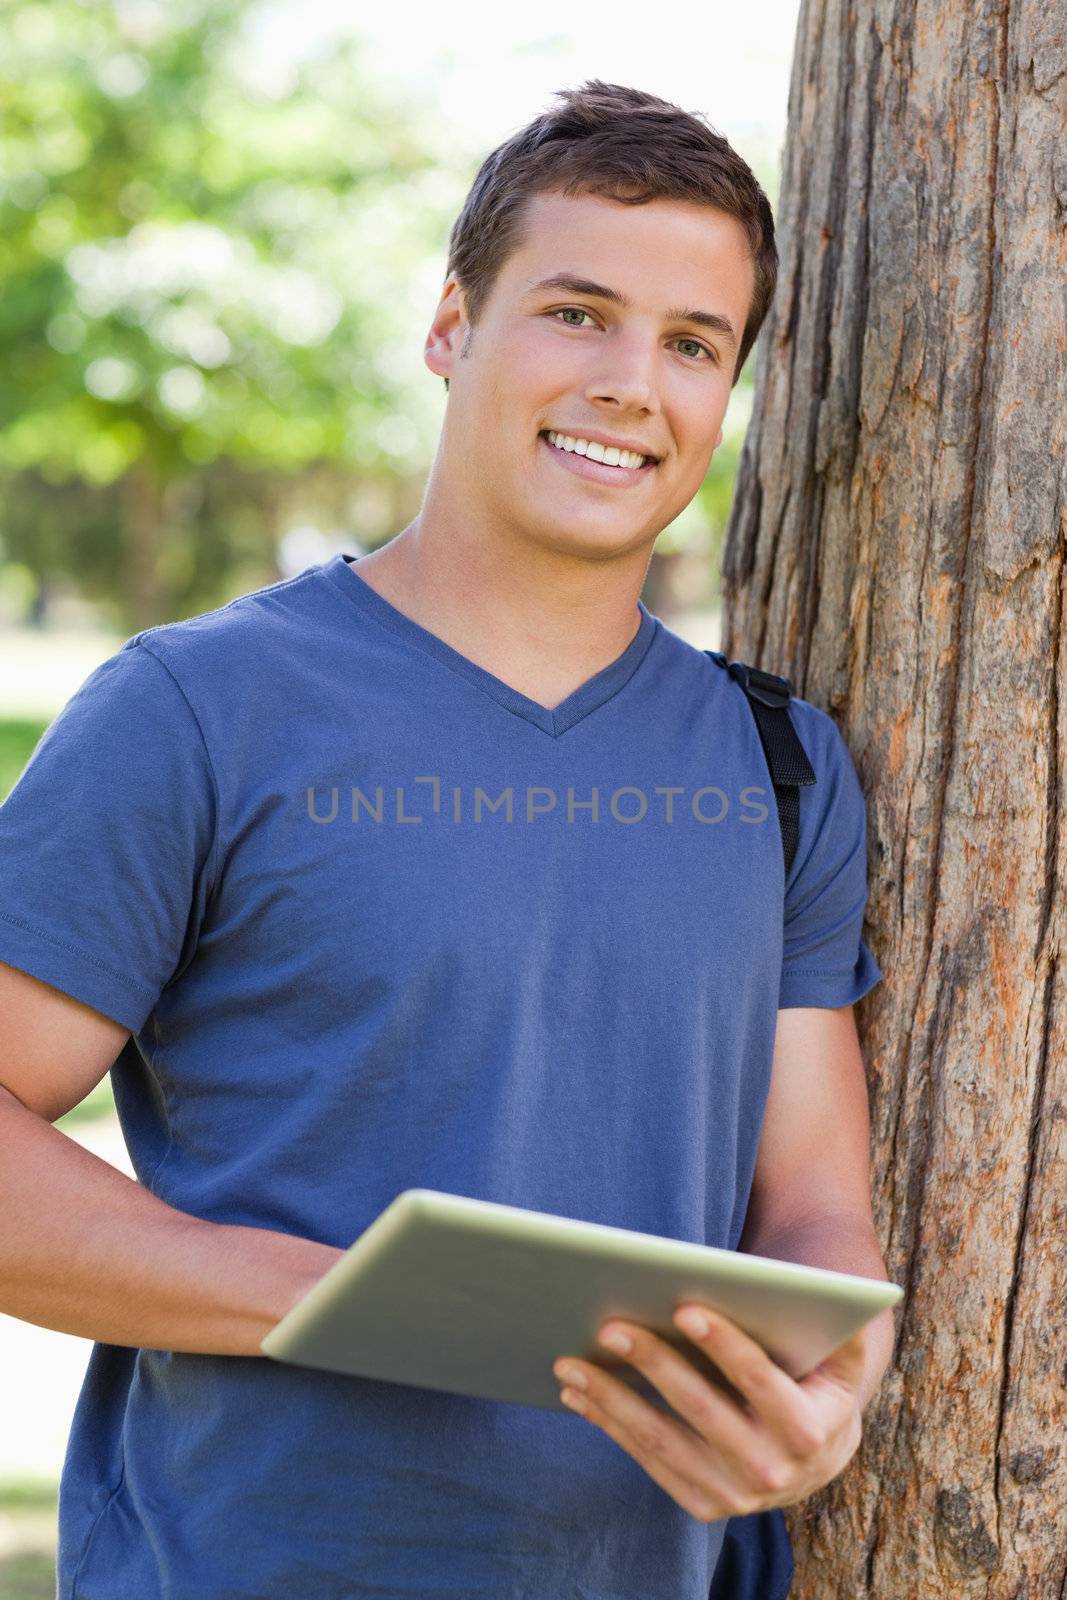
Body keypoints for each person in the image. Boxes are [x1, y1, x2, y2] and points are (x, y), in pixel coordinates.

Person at [0, 78, 895, 1600]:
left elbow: (812, 1206)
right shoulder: (197, 710)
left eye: (693, 345)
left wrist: (830, 1401)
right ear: (450, 327)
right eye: (578, 312)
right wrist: (365, 1299)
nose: (633, 383)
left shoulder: (780, 763)